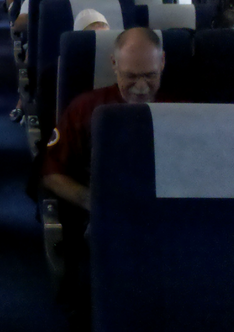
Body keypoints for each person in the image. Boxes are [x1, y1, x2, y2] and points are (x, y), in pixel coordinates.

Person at [41, 27, 174, 331]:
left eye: (150, 75)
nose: (141, 87)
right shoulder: (86, 108)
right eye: (131, 76)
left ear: (163, 62)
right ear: (114, 64)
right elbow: (51, 173)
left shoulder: (185, 108)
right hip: (106, 218)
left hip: (169, 217)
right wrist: (94, 203)